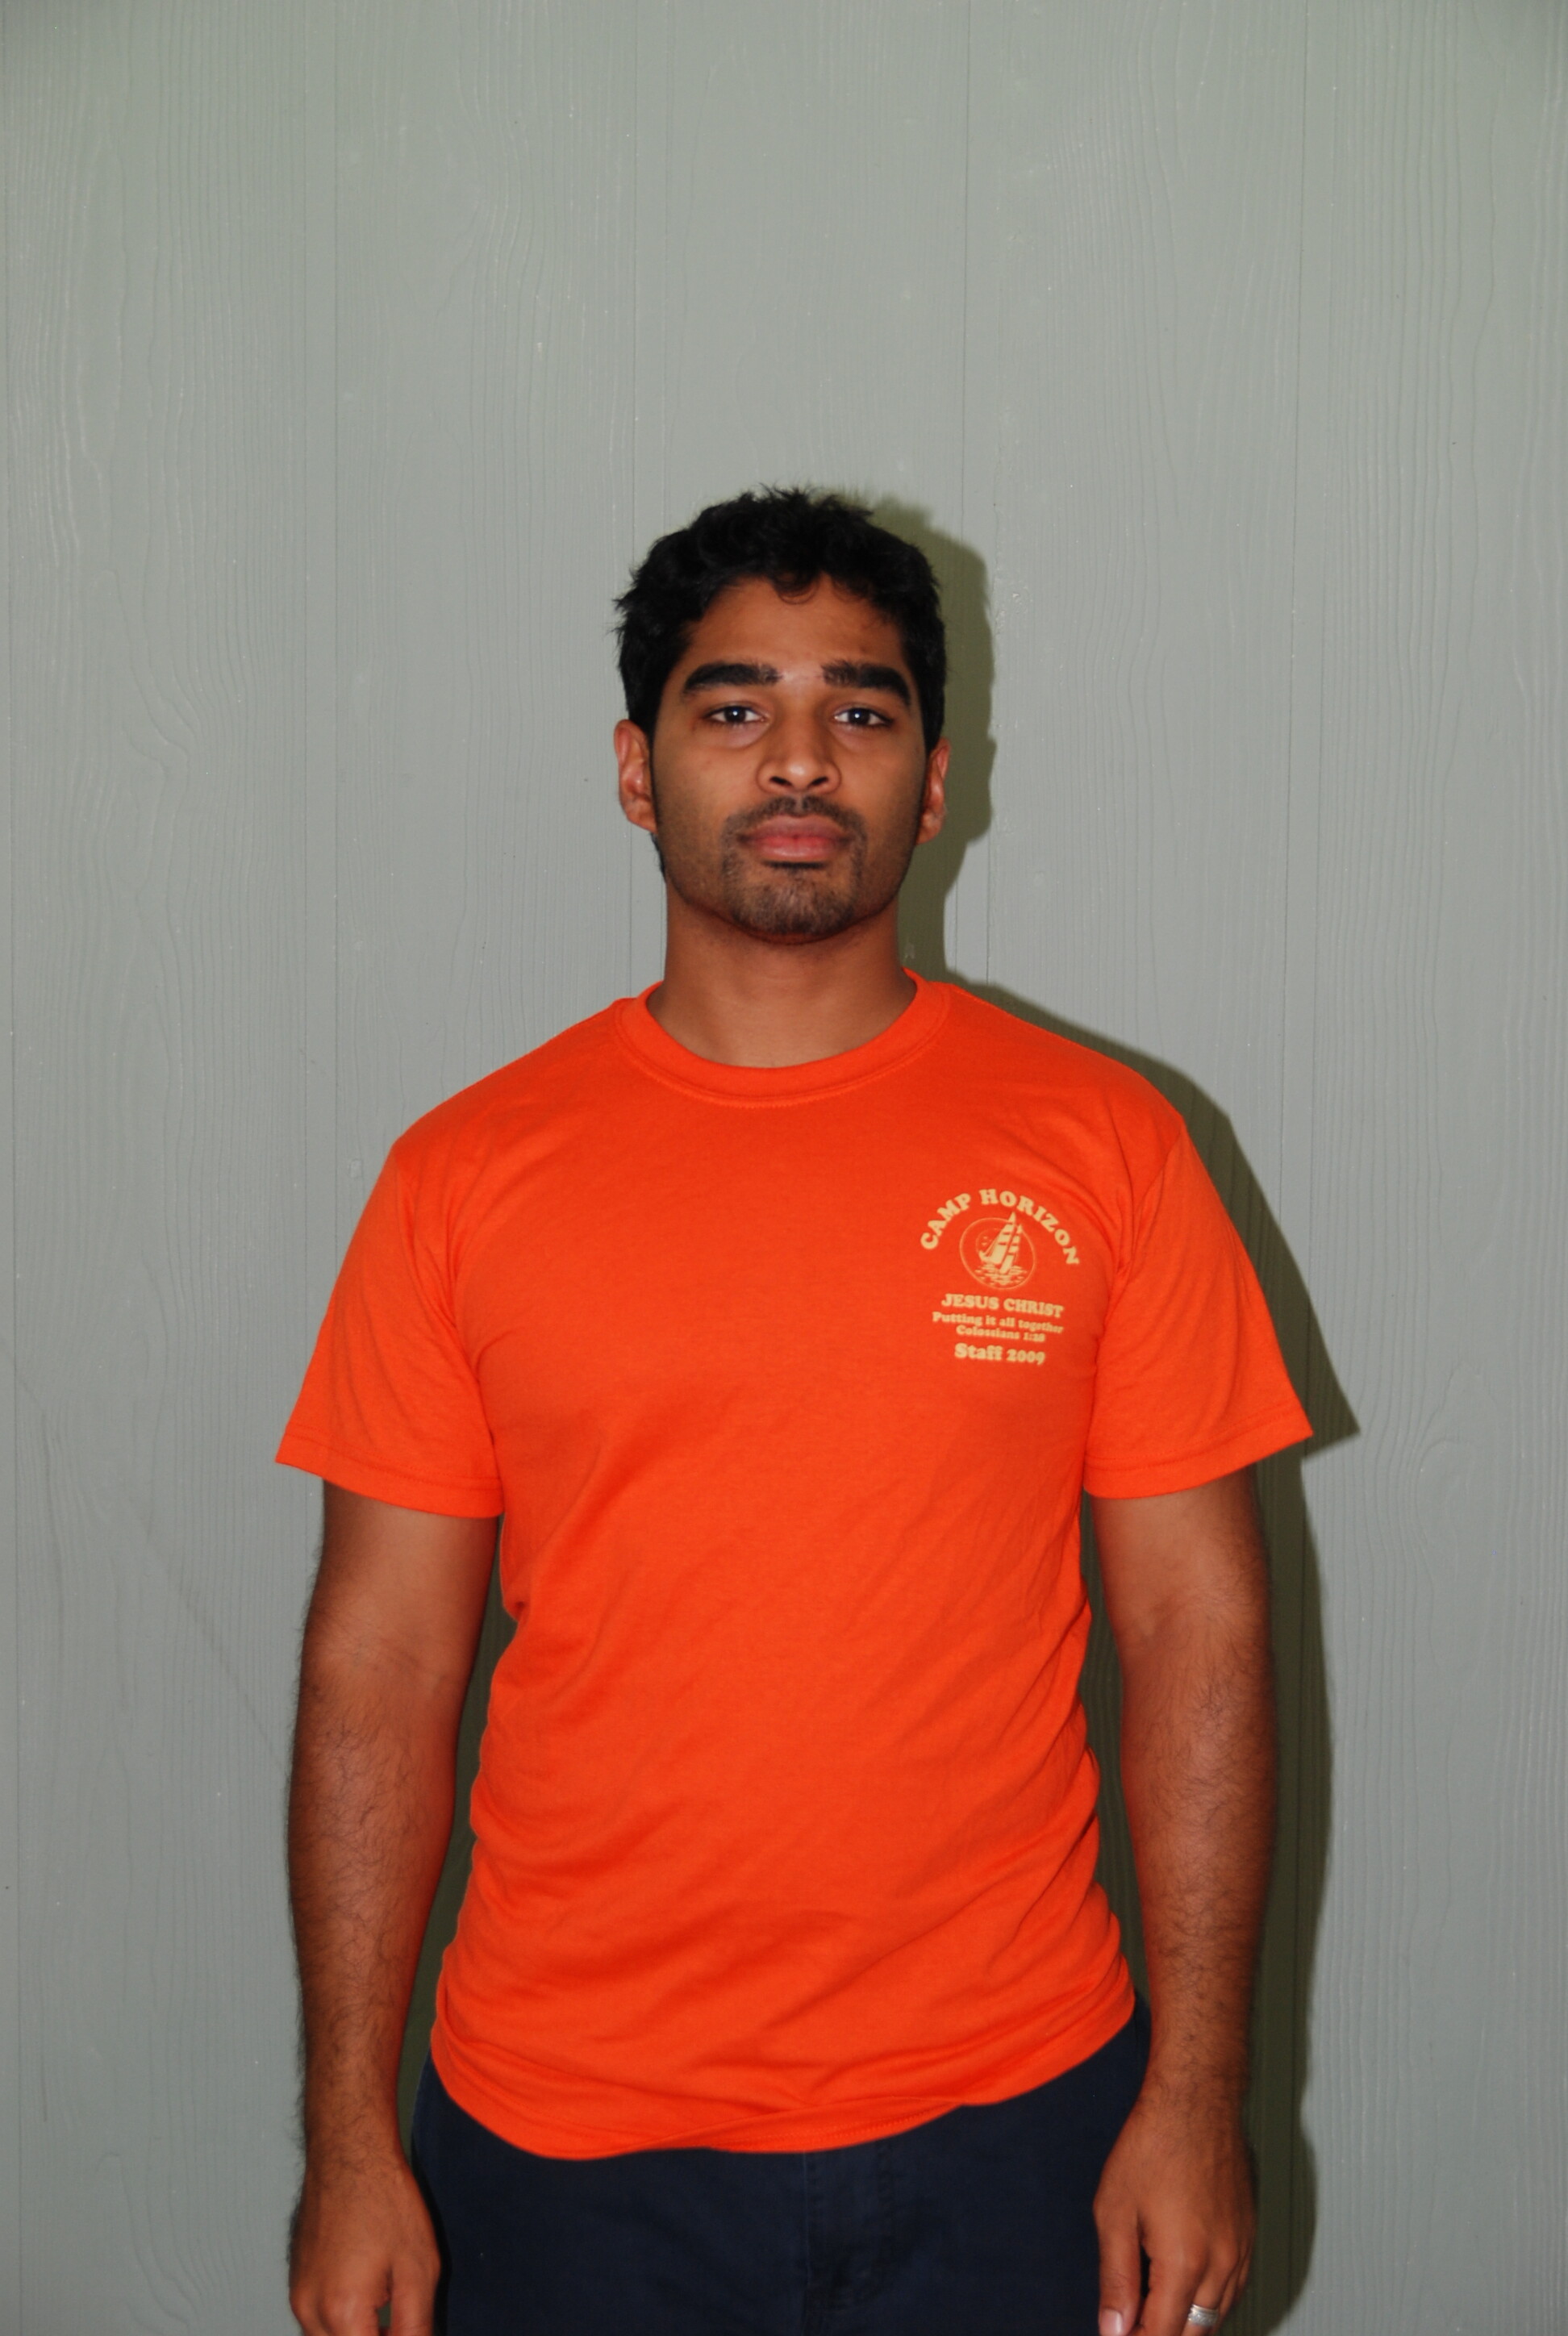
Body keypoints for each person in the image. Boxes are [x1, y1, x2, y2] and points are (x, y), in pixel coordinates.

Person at [280, 488, 1311, 2336]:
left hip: (1020, 2114)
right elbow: (381, 1666)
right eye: (735, 704)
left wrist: (1195, 2092)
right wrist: (352, 2135)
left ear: (935, 779)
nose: (801, 758)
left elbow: (1197, 1632)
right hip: (566, 2140)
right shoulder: (463, 1176)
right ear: (635, 767)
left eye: (863, 706)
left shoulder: (1108, 1148)